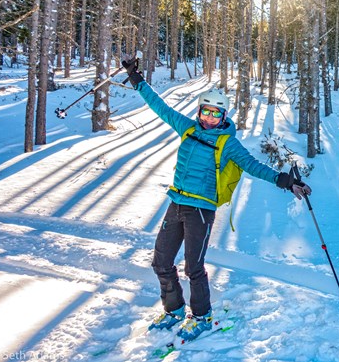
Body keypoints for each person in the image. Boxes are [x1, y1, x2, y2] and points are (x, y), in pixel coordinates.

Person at [121, 58, 311, 342]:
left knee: (193, 267)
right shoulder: (187, 128)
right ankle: (173, 310)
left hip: (201, 209)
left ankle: (202, 316)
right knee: (161, 261)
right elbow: (161, 108)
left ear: (223, 117)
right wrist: (137, 81)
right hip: (176, 203)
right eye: (206, 112)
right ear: (199, 112)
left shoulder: (227, 142)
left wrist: (283, 180)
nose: (210, 118)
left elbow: (252, 165)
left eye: (215, 114)